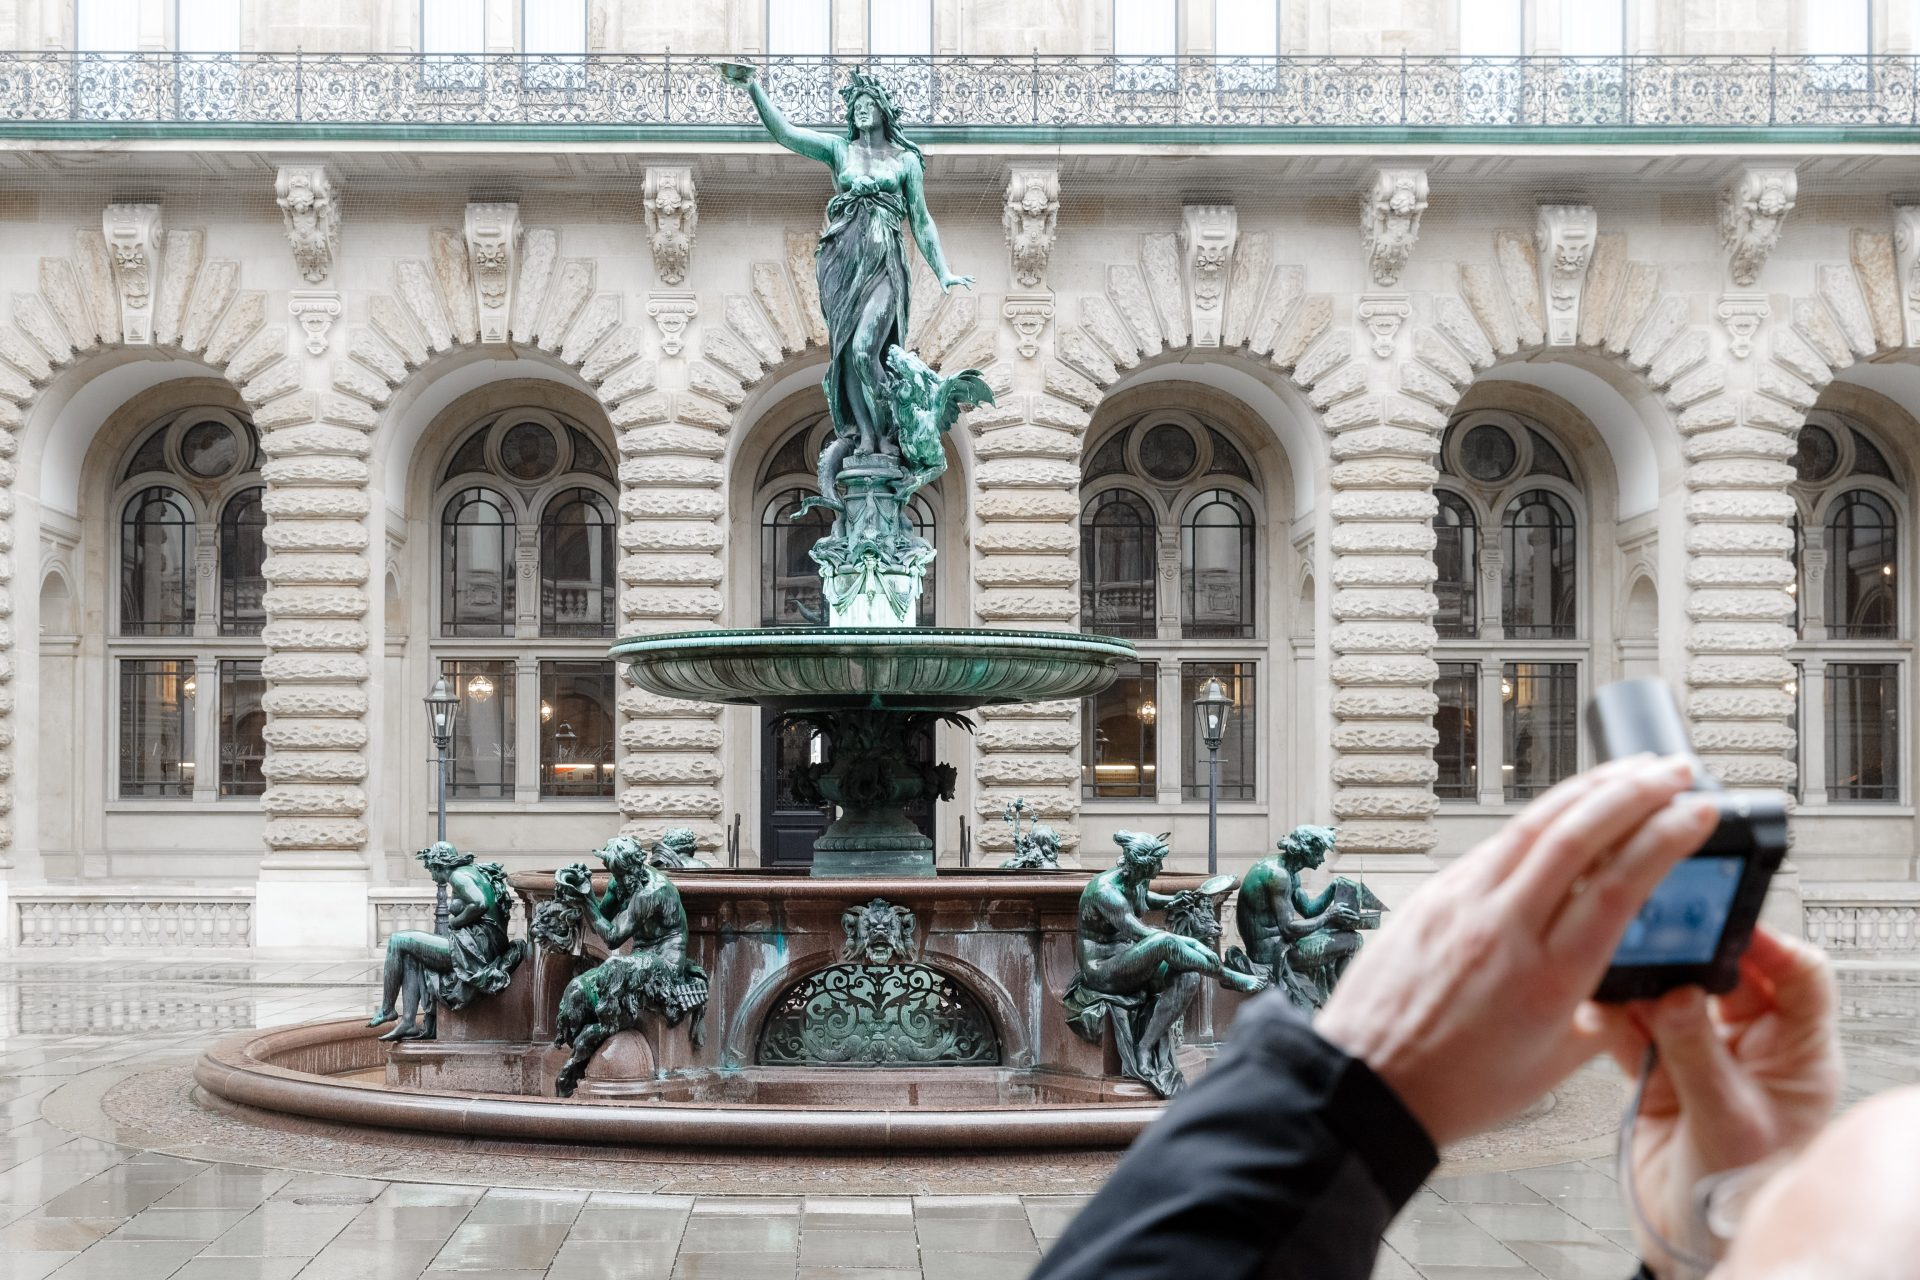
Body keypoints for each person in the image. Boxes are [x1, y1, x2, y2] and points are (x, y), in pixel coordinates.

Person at [1033, 755, 1852, 1280]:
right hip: (1155, 963)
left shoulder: (1176, 880)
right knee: (1210, 953)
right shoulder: (1122, 887)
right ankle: (1240, 983)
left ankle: (1244, 987)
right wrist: (1703, 1248)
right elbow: (1199, 930)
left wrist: (1348, 1093)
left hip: (1252, 1024)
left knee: (1305, 942)